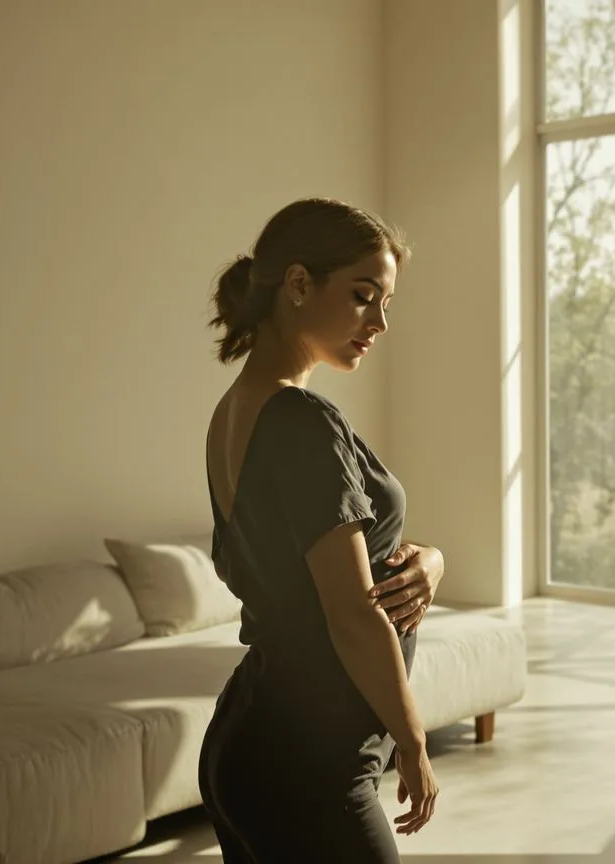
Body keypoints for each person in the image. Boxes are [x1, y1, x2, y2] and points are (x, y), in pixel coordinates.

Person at [199, 197, 445, 862]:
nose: (381, 322)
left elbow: (334, 560)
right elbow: (352, 615)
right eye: (364, 296)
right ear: (300, 285)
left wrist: (433, 559)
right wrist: (414, 740)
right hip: (309, 764)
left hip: (249, 739)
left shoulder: (236, 410)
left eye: (385, 301)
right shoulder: (303, 419)